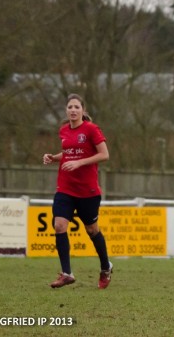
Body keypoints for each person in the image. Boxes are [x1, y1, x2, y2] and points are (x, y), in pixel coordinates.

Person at [42, 93, 113, 289]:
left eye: (76, 107)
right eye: (70, 107)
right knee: (59, 226)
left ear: (83, 110)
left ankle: (106, 267)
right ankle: (67, 273)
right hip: (65, 188)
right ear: (66, 110)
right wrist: (54, 158)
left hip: (88, 191)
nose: (73, 110)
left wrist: (79, 163)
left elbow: (104, 154)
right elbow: (68, 152)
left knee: (92, 230)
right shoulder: (64, 130)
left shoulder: (91, 129)